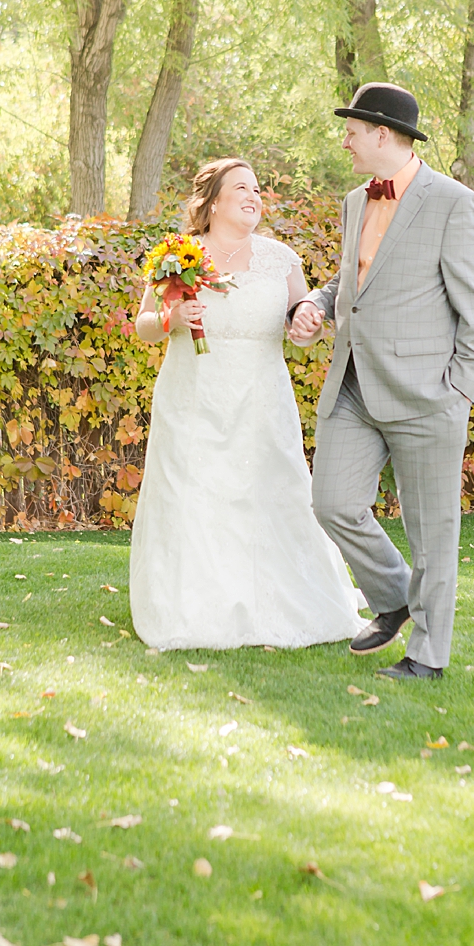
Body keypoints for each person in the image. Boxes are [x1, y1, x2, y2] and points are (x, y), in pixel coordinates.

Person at [286, 82, 474, 681]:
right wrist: (321, 305)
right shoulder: (356, 201)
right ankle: (397, 596)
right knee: (332, 503)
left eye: (351, 131)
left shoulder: (454, 203)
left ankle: (427, 657)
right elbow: (356, 279)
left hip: (427, 396)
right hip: (353, 385)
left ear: (382, 134)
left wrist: (457, 392)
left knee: (432, 533)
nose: (344, 141)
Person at [128, 158, 365, 651]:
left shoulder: (280, 259)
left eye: (257, 188)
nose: (254, 195)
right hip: (192, 398)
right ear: (214, 201)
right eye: (242, 188)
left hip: (262, 399)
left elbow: (302, 321)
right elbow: (144, 324)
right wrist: (171, 318)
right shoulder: (176, 256)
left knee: (267, 491)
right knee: (197, 494)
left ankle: (278, 598)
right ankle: (195, 603)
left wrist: (307, 324)